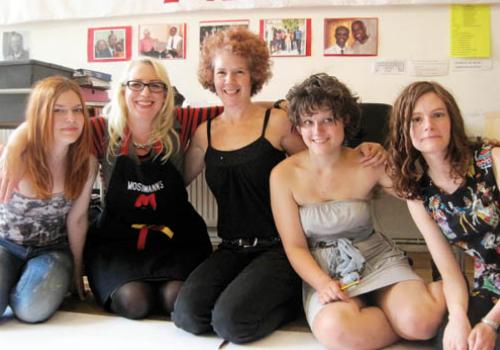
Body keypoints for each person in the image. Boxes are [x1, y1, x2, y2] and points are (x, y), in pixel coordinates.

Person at [172, 27, 385, 344]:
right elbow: (175, 185)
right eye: (221, 72)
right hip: (231, 247)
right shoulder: (205, 133)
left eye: (239, 72)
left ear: (253, 74)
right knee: (188, 316)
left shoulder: (277, 122)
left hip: (280, 248)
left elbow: (323, 152)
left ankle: (292, 301)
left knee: (231, 324)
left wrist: (367, 147)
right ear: (210, 76)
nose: (229, 81)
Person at [270, 73, 446, 349]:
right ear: (299, 126)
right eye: (308, 122)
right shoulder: (282, 175)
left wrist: (389, 157)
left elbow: (417, 194)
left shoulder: (369, 160)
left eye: (328, 119)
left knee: (420, 321)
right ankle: (401, 320)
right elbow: (294, 246)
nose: (318, 131)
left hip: (377, 257)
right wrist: (322, 282)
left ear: (345, 120)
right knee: (336, 330)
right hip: (325, 267)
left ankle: (429, 303)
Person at [84, 57, 212, 320]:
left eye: (156, 85)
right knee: (135, 302)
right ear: (123, 90)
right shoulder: (101, 129)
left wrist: (280, 106)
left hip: (175, 237)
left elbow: (235, 111)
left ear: (166, 93)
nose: (146, 93)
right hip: (119, 240)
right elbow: (55, 127)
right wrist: (15, 142)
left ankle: (162, 284)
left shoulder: (181, 122)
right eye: (136, 84)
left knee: (175, 299)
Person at [387, 81, 499, 350]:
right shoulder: (417, 191)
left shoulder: (491, 160)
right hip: (491, 284)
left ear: (452, 120)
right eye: (416, 118)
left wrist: (491, 323)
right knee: (452, 343)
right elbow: (449, 272)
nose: (428, 125)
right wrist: (459, 317)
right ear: (404, 130)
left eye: (438, 114)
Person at [0, 76, 96, 323]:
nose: (72, 119)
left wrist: (77, 270)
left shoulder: (85, 163)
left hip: (51, 251)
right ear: (40, 115)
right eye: (58, 111)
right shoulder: (15, 154)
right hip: (5, 246)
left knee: (31, 310)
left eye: (77, 110)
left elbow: (77, 219)